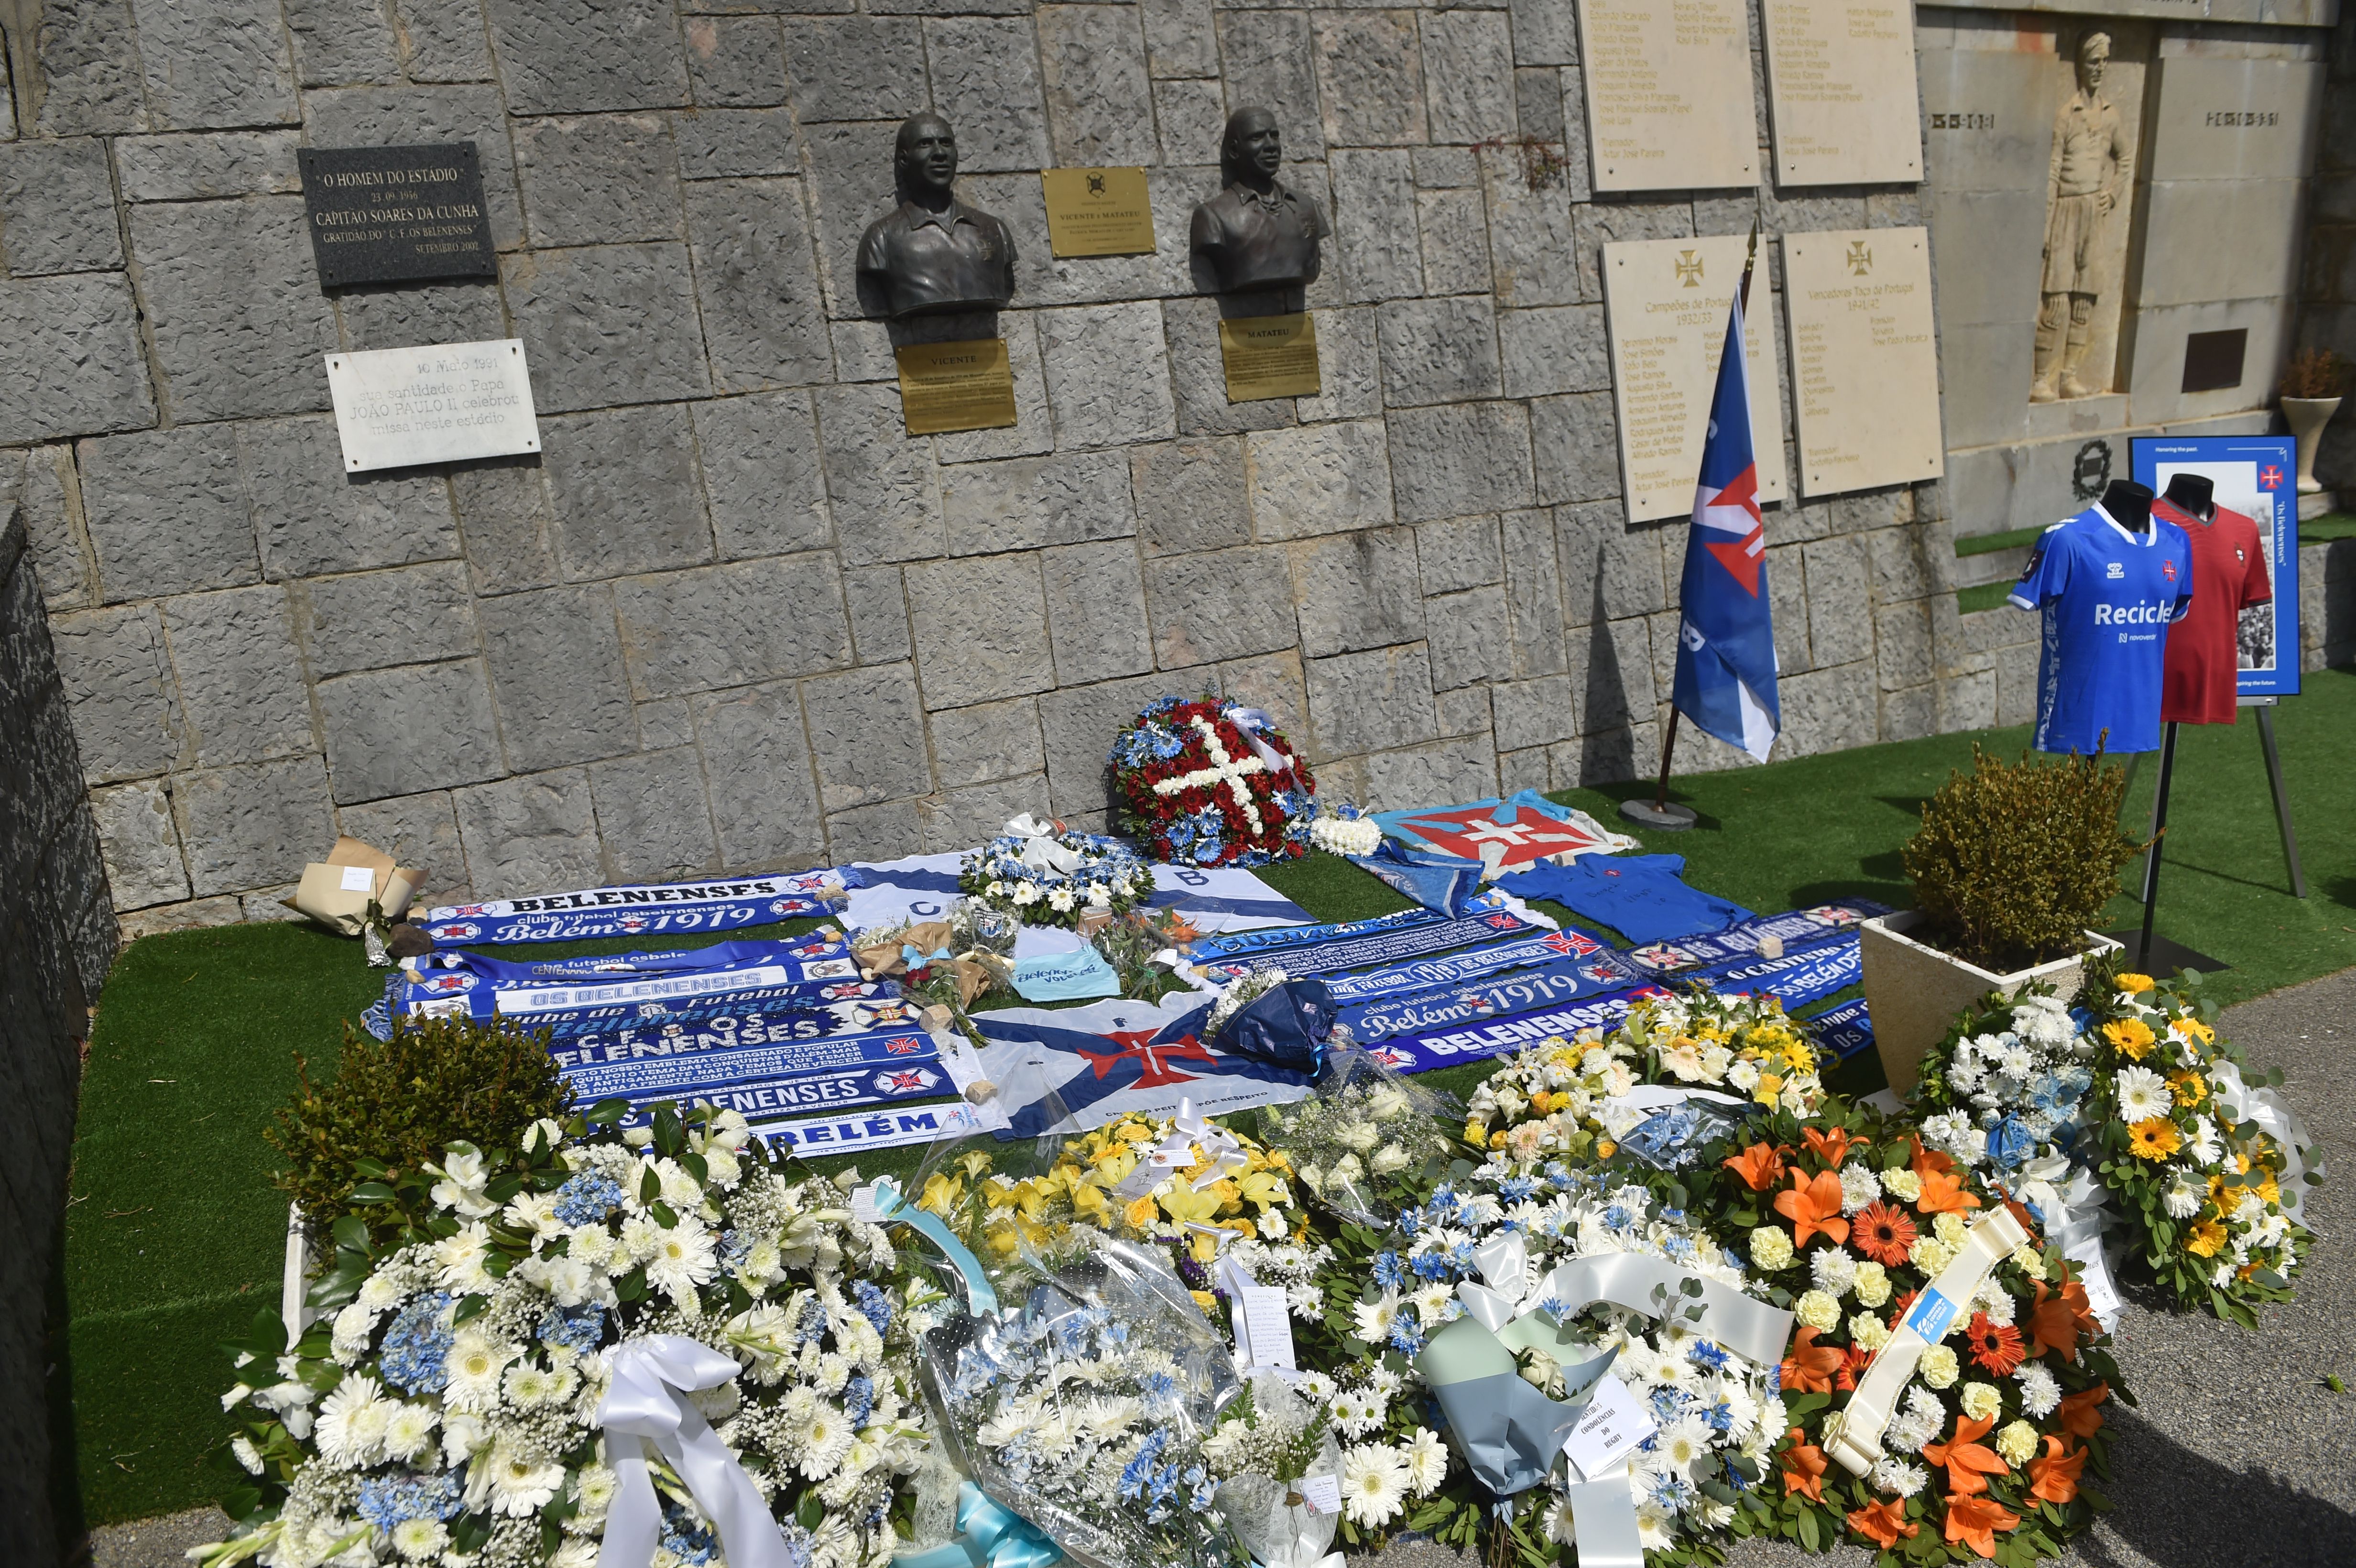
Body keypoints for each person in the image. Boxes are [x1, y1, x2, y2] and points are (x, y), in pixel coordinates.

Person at [2032, 33, 2132, 403]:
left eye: (2105, 62)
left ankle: (2069, 376)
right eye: (2094, 61)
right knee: (2056, 299)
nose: (2100, 68)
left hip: (2093, 210)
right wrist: (2045, 224)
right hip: (2066, 209)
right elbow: (2053, 169)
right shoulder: (2066, 115)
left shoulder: (2110, 115)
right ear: (2080, 64)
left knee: (2085, 299)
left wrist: (2113, 193)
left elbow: (2125, 156)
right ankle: (2041, 378)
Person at [856, 114, 1018, 319]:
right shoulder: (882, 238)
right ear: (904, 160)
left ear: (957, 154)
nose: (940, 153)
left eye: (946, 143)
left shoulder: (994, 229)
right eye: (925, 144)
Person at [1188, 107, 1329, 293]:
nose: (1271, 146)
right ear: (1234, 150)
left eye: (1275, 136)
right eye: (1257, 138)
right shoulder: (1214, 216)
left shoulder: (1307, 206)